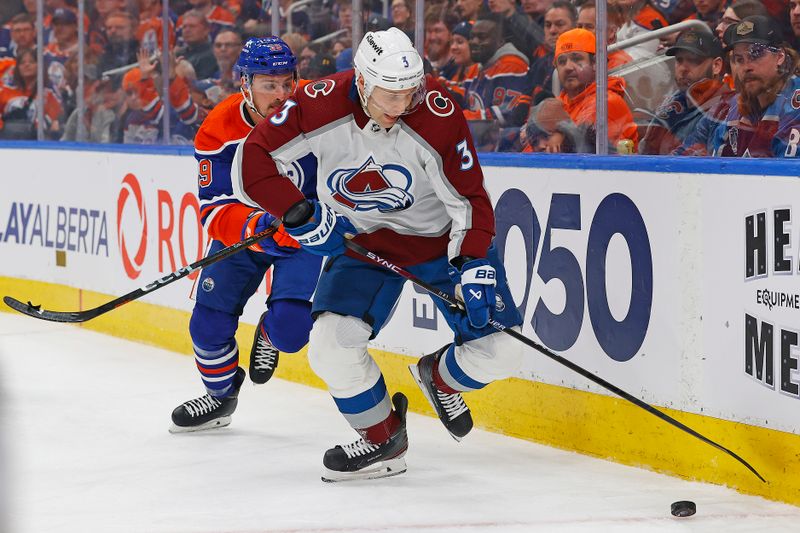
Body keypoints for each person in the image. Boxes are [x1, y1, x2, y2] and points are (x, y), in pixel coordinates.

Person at [239, 27, 524, 482]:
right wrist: (298, 214)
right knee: (330, 349)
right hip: (362, 243)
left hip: (441, 241)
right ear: (363, 83)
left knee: (505, 351)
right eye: (390, 96)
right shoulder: (319, 102)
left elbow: (470, 199)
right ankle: (381, 440)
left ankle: (441, 378)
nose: (401, 107)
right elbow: (254, 156)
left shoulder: (437, 111)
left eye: (409, 93)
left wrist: (473, 263)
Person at [170, 37, 323, 433]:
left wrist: (311, 220)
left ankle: (269, 336)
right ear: (245, 83)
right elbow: (213, 209)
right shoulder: (218, 128)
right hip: (247, 232)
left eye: (287, 82)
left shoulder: (318, 108)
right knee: (206, 326)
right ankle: (220, 397)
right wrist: (255, 228)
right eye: (269, 84)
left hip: (304, 235)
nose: (281, 94)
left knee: (292, 330)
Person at [522, 28, 638, 152]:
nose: (568, 67)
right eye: (562, 61)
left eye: (577, 59)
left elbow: (586, 157)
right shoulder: (558, 104)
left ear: (596, 63)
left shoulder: (606, 103)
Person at [709, 16, 800, 157]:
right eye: (739, 59)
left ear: (780, 56)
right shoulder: (734, 108)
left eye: (756, 54)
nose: (746, 67)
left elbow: (787, 175)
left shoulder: (795, 104)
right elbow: (716, 170)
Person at [640, 28, 732, 154]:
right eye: (679, 60)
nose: (683, 68)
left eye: (693, 60)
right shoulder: (675, 99)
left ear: (716, 66)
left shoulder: (726, 109)